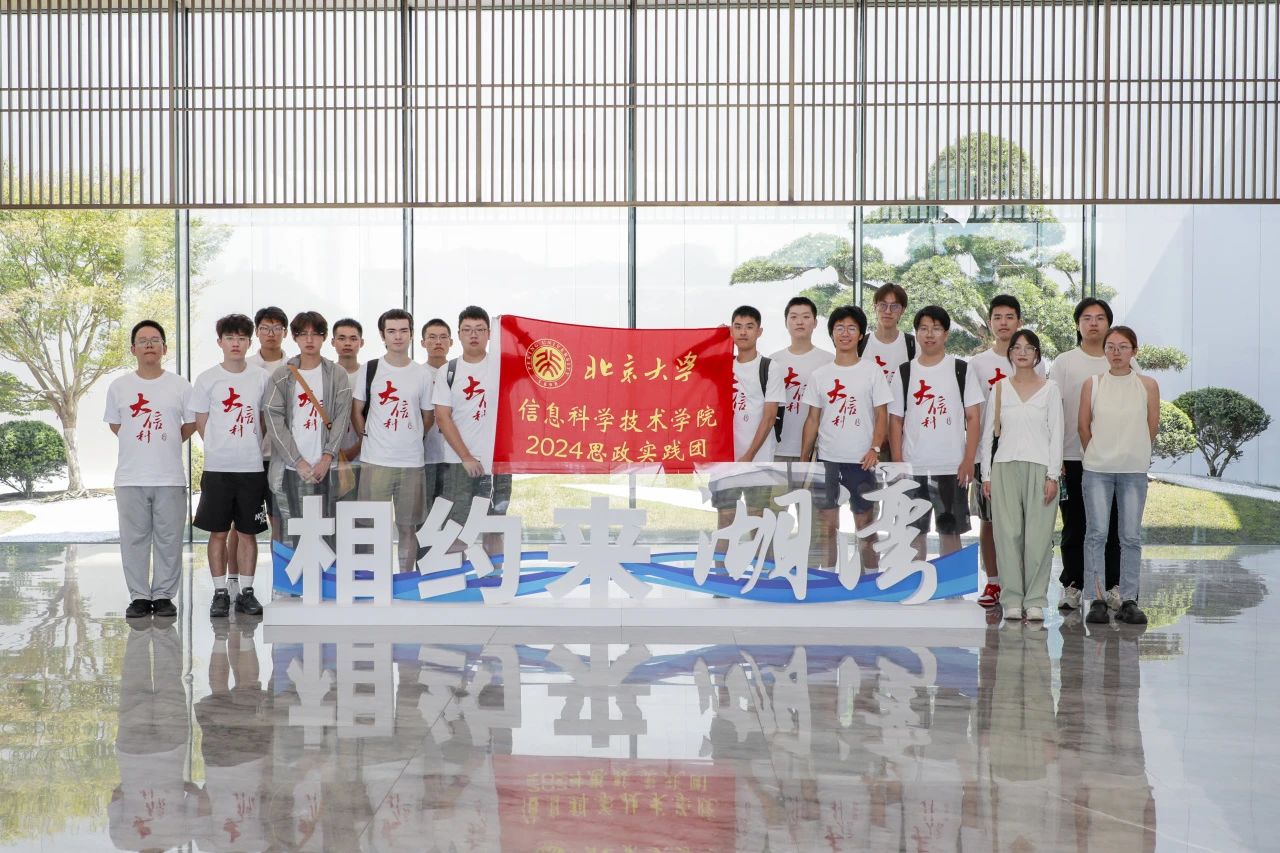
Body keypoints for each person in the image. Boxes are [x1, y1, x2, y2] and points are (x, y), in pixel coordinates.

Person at [104, 320, 196, 619]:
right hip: (130, 477)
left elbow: (191, 423)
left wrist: (168, 440)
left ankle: (164, 596)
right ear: (133, 349)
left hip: (170, 476)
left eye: (155, 340)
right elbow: (116, 424)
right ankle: (140, 597)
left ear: (164, 348)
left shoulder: (180, 386)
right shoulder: (119, 387)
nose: (149, 345)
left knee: (169, 539)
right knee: (134, 540)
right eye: (142, 340)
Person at [189, 313, 271, 618]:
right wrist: (218, 447)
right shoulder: (207, 379)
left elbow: (264, 420)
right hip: (218, 469)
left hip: (252, 467)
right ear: (220, 342)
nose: (235, 343)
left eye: (241, 338)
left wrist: (250, 445)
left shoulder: (260, 377)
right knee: (218, 532)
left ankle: (246, 591)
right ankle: (220, 592)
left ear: (249, 342)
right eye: (230, 338)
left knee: (248, 532)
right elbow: (201, 422)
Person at [979, 329, 1063, 622]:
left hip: (1040, 468)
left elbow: (1057, 434)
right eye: (1017, 348)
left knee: (1038, 537)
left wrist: (1053, 475)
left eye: (1029, 348)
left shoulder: (1050, 389)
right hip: (1004, 467)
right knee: (1007, 535)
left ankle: (1035, 600)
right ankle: (1012, 598)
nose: (1022, 352)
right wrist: (986, 475)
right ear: (1010, 353)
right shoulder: (1000, 389)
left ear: (1037, 354)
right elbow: (988, 434)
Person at [969, 295, 1047, 609]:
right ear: (990, 323)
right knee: (990, 520)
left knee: (1027, 522)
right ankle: (994, 581)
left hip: (1029, 451)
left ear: (1019, 321)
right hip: (990, 452)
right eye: (997, 317)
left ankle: (1024, 585)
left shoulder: (1036, 363)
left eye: (1009, 317)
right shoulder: (977, 364)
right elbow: (974, 414)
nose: (1003, 323)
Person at [1078, 326, 1159, 626]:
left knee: (1131, 537)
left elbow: (1152, 426)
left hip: (1133, 470)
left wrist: (1132, 452)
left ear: (1134, 351)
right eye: (1110, 346)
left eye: (1123, 347)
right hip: (1097, 469)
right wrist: (1099, 453)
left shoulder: (1147, 385)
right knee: (1096, 534)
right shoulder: (1093, 384)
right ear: (1104, 351)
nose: (1116, 352)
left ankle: (1129, 600)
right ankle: (1097, 599)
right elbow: (1083, 427)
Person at [800, 305, 892, 568]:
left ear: (861, 335)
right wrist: (804, 460)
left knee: (865, 525)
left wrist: (875, 448)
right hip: (828, 460)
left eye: (852, 328)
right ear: (831, 333)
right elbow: (812, 420)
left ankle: (870, 577)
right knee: (828, 525)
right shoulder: (820, 375)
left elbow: (882, 415)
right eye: (839, 328)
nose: (845, 333)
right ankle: (830, 577)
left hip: (862, 462)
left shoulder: (872, 371)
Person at [889, 306, 984, 561]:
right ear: (916, 333)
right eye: (923, 329)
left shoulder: (961, 369)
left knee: (950, 531)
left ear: (946, 334)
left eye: (936, 329)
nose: (929, 334)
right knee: (913, 533)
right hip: (914, 466)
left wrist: (969, 460)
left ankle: (949, 584)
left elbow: (973, 418)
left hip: (951, 466)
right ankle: (915, 581)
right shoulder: (904, 372)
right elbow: (895, 420)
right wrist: (898, 462)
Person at [1050, 298, 1123, 612]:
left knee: (1113, 526)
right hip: (1072, 457)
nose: (1093, 323)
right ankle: (1073, 586)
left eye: (1100, 317)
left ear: (1109, 324)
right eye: (1087, 318)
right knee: (1074, 526)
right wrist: (1055, 459)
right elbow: (1052, 411)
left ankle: (1113, 586)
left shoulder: (1120, 361)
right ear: (1078, 324)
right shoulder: (1065, 362)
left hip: (1114, 460)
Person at [352, 309, 436, 571]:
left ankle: (405, 578)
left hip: (411, 462)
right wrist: (369, 438)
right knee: (371, 524)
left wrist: (412, 437)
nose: (398, 336)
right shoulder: (370, 369)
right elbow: (357, 411)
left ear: (411, 334)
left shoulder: (422, 374)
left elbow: (428, 417)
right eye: (391, 331)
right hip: (375, 461)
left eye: (403, 330)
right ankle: (374, 576)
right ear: (382, 335)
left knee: (408, 526)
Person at [264, 311, 353, 542]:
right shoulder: (282, 375)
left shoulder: (337, 374)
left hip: (327, 467)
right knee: (293, 533)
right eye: (303, 334)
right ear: (294, 337)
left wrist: (327, 457)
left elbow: (342, 417)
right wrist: (297, 461)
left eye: (316, 334)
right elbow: (273, 419)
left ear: (324, 338)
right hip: (291, 468)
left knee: (329, 534)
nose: (309, 339)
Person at [431, 306, 510, 543]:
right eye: (467, 329)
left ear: (489, 334)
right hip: (458, 462)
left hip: (497, 462)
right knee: (456, 525)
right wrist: (466, 456)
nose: (473, 335)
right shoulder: (448, 371)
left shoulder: (503, 366)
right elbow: (442, 417)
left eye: (480, 329)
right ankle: (458, 568)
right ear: (458, 335)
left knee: (494, 525)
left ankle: (494, 568)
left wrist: (513, 328)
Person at [709, 306, 785, 533]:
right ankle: (721, 560)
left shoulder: (769, 367)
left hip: (758, 459)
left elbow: (769, 417)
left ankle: (757, 560)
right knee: (725, 521)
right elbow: (680, 362)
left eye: (749, 327)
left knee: (756, 519)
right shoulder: (721, 365)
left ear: (759, 332)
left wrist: (749, 455)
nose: (743, 332)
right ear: (731, 331)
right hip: (724, 460)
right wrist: (713, 339)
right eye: (738, 327)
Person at [769, 296, 835, 476]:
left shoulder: (829, 361)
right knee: (775, 495)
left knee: (812, 496)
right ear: (786, 322)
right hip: (777, 448)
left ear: (815, 322)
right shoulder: (772, 361)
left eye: (806, 317)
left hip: (816, 450)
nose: (800, 322)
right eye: (794, 317)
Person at [248, 306, 290, 549]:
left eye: (277, 328)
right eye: (265, 328)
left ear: (285, 332)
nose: (271, 333)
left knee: (280, 521)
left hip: (283, 457)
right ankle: (237, 572)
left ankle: (280, 571)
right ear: (256, 332)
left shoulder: (295, 367)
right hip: (250, 457)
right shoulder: (245, 366)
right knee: (243, 525)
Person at [420, 318, 454, 512]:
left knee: (453, 513)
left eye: (443, 337)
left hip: (455, 456)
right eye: (432, 337)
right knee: (425, 513)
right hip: (425, 456)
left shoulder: (460, 372)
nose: (438, 342)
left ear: (451, 342)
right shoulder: (416, 374)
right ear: (423, 343)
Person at [331, 317, 366, 500]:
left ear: (361, 342)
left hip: (363, 457)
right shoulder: (325, 374)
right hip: (328, 459)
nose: (347, 343)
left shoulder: (369, 375)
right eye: (342, 338)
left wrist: (357, 447)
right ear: (332, 342)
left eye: (353, 338)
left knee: (360, 511)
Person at [859, 283, 915, 389]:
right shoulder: (860, 344)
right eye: (883, 305)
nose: (888, 311)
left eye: (894, 306)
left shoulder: (913, 345)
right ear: (875, 307)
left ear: (903, 310)